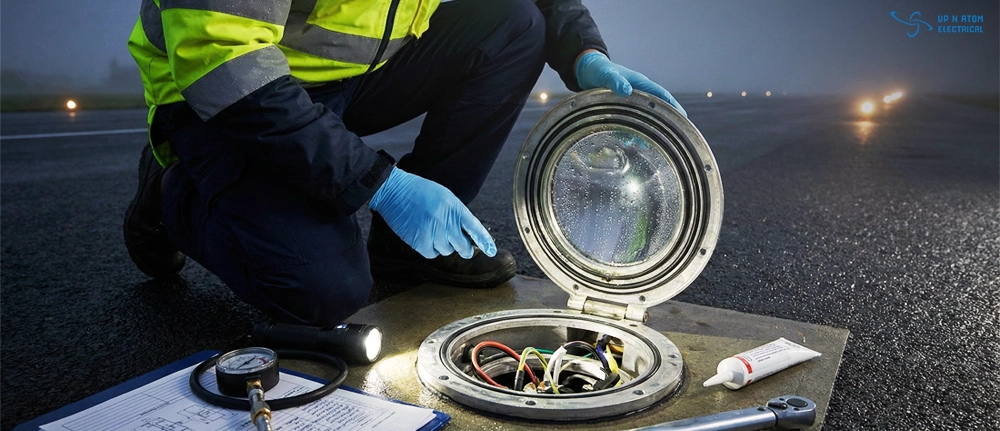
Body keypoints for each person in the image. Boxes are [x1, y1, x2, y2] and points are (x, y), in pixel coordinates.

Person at [124, 0, 686, 327]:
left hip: (350, 78)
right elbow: (222, 61)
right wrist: (381, 184)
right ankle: (173, 193)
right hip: (224, 96)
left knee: (515, 21)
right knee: (321, 291)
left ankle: (407, 250)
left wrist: (582, 54)